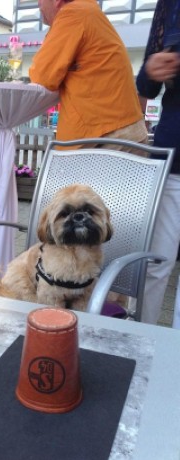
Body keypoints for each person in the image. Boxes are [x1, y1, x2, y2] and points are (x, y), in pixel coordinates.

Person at [29, 0, 148, 149]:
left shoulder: (73, 14)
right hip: (119, 132)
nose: (38, 4)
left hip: (108, 138)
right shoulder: (88, 12)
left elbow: (42, 76)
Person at [136, 0, 180, 325]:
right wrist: (153, 68)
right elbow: (146, 86)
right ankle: (143, 349)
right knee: (155, 262)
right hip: (173, 153)